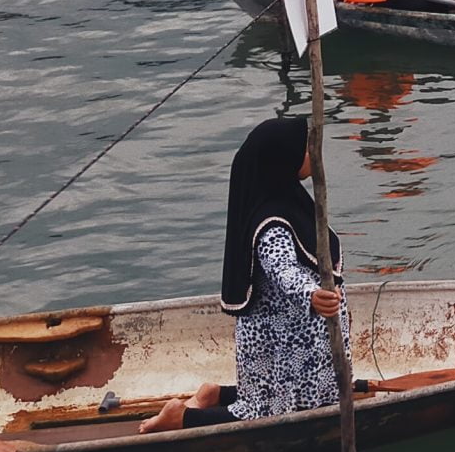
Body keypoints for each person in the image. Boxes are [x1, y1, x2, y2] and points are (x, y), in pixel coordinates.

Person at [140, 118, 349, 432]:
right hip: (278, 340)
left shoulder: (292, 204)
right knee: (263, 414)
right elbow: (283, 269)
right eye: (304, 148)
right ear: (283, 159)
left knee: (310, 395)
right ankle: (182, 417)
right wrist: (311, 293)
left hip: (298, 343)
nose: (312, 152)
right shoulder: (273, 223)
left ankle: (216, 394)